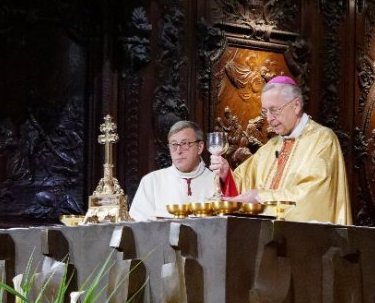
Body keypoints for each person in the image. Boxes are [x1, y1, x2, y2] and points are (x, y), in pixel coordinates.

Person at [208, 75, 351, 224]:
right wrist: (226, 176)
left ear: (296, 106)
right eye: (265, 112)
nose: (269, 118)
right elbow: (242, 185)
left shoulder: (323, 140)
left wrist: (261, 198)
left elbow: (313, 196)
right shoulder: (271, 146)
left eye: (274, 110)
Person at [128, 121, 215, 221]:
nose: (178, 151)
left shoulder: (216, 181)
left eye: (185, 143)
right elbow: (138, 225)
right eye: (174, 144)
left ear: (200, 147)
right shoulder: (151, 181)